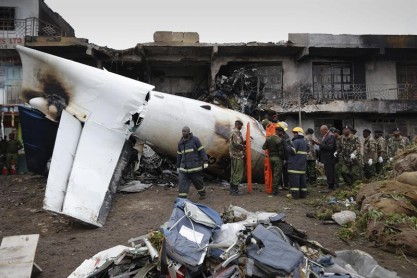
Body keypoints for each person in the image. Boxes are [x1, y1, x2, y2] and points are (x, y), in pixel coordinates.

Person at [176, 126, 208, 200]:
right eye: (182, 131)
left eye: (185, 131)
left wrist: (205, 161)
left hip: (195, 167)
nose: (183, 133)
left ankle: (202, 194)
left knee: (198, 182)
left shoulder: (195, 140)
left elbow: (201, 151)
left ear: (189, 132)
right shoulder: (180, 143)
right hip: (184, 168)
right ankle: (182, 198)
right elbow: (179, 155)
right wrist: (178, 166)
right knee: (182, 182)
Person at [262, 126, 285, 195]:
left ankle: (273, 189)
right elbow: (281, 152)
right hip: (277, 159)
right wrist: (283, 159)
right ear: (279, 132)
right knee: (277, 175)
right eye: (282, 132)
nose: (282, 134)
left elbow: (264, 147)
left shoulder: (269, 138)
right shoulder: (279, 140)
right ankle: (275, 191)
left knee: (273, 174)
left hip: (271, 158)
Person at [286, 127, 308, 199]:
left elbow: (292, 151)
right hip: (302, 166)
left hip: (294, 166)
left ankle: (295, 195)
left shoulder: (296, 142)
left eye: (295, 133)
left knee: (294, 182)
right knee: (302, 182)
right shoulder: (305, 142)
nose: (294, 135)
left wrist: (287, 145)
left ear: (299, 133)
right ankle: (303, 195)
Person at [314, 125, 337, 190]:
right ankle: (329, 184)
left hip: (329, 157)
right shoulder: (326, 135)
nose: (321, 132)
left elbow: (330, 147)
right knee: (327, 172)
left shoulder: (330, 136)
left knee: (330, 172)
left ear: (325, 130)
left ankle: (331, 186)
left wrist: (319, 144)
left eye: (321, 131)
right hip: (326, 157)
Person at [229, 120, 245, 196]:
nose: (241, 127)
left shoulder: (233, 131)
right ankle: (235, 190)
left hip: (233, 155)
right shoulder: (236, 132)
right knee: (238, 172)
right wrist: (244, 147)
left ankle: (232, 189)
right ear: (238, 125)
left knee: (233, 172)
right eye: (241, 125)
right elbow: (237, 144)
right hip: (238, 156)